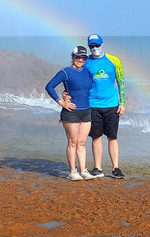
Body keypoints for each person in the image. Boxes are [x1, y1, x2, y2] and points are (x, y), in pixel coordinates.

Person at [45, 46, 95, 181]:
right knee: (73, 142)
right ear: (73, 57)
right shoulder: (65, 72)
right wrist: (61, 102)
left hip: (86, 111)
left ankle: (83, 170)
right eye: (78, 57)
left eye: (83, 57)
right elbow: (49, 86)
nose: (80, 59)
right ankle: (73, 171)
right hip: (71, 112)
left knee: (82, 142)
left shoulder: (88, 72)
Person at [84, 33, 127, 179]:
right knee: (96, 137)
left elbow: (121, 82)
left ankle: (116, 168)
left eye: (97, 45)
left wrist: (122, 103)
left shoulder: (114, 60)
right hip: (92, 105)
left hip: (112, 105)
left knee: (112, 137)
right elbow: (78, 81)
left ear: (102, 44)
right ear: (89, 47)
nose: (95, 48)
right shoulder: (86, 62)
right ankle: (97, 168)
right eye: (92, 46)